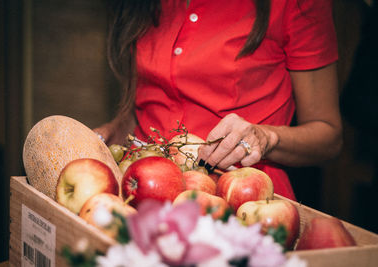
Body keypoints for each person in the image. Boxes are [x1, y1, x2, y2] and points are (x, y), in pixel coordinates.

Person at [94, 0, 342, 200]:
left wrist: (265, 138)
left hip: (238, 198)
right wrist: (115, 131)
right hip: (141, 186)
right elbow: (150, 99)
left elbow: (328, 136)